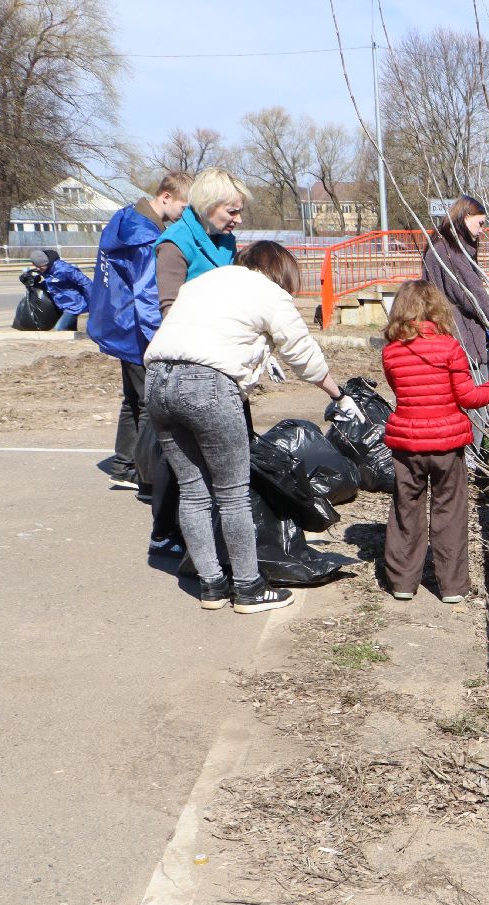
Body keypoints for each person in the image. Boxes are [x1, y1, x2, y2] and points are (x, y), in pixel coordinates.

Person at [142, 242, 364, 613]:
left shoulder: (205, 280)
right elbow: (302, 354)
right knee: (232, 494)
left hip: (157, 381)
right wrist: (338, 394)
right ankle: (248, 588)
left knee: (194, 492)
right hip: (208, 383)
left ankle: (211, 584)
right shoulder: (269, 292)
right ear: (280, 271)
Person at [379, 280, 489, 604]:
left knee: (407, 510)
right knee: (450, 513)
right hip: (447, 445)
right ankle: (452, 587)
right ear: (437, 308)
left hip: (407, 446)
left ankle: (402, 582)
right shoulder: (449, 347)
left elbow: (400, 392)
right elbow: (468, 396)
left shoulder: (390, 351)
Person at [86, 170, 191, 515]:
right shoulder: (146, 238)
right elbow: (148, 294)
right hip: (136, 328)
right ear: (165, 198)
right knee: (150, 403)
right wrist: (162, 336)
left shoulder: (124, 219)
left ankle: (124, 467)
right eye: (183, 207)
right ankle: (148, 475)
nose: (184, 215)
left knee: (132, 400)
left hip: (116, 323)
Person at [421, 195, 489, 381]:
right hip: (461, 345)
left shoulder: (439, 246)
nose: (482, 230)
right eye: (481, 223)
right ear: (466, 216)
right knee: (475, 404)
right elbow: (473, 296)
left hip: (446, 340)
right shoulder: (450, 252)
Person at [155, 166, 247, 315]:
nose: (239, 219)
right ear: (207, 206)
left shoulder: (227, 240)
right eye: (232, 212)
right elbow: (170, 311)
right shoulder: (174, 244)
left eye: (240, 211)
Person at [22, 249, 91, 331]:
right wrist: (30, 281)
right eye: (39, 267)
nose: (41, 268)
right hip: (62, 304)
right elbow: (51, 284)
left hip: (74, 304)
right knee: (70, 331)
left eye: (43, 266)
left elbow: (86, 282)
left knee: (59, 328)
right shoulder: (45, 270)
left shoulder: (64, 269)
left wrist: (93, 302)